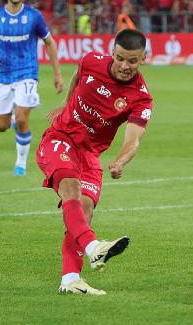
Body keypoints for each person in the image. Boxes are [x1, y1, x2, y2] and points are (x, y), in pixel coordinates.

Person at [37, 29, 153, 295]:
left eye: (132, 61)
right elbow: (78, 75)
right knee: (71, 188)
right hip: (60, 137)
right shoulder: (91, 61)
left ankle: (70, 280)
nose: (125, 66)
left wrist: (121, 161)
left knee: (85, 209)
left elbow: (134, 139)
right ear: (112, 53)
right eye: (120, 58)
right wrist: (65, 104)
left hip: (90, 154)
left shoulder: (141, 97)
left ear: (143, 59)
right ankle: (93, 247)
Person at [0, 0, 64, 176]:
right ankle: (12, 118)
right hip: (2, 74)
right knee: (1, 126)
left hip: (27, 73)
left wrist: (57, 73)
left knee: (22, 119)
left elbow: (50, 43)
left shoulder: (33, 16)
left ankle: (20, 163)